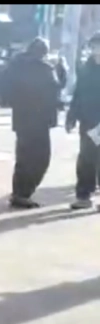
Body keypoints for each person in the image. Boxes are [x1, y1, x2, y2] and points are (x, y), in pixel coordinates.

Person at [5, 38, 61, 209]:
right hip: (39, 120)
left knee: (23, 158)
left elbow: (3, 89)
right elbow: (55, 90)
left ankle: (19, 193)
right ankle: (23, 193)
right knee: (40, 159)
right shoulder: (44, 68)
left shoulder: (15, 66)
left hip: (22, 119)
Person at [66, 33, 100, 209]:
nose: (96, 50)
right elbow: (78, 94)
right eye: (94, 46)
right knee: (86, 159)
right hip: (88, 121)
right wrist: (71, 116)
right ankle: (83, 196)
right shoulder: (86, 68)